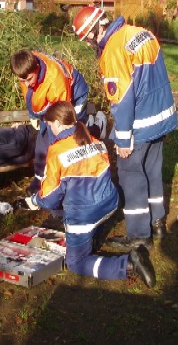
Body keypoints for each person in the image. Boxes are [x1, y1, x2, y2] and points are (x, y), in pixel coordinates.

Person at [14, 101, 155, 288]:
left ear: (57, 123)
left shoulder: (57, 151)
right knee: (85, 208)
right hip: (109, 203)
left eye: (49, 125)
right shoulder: (95, 141)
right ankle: (94, 237)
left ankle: (127, 264)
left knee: (76, 263)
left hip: (85, 214)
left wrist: (32, 201)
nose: (49, 130)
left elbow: (49, 198)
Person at [72, 6, 178, 250]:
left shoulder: (113, 50)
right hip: (160, 117)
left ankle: (140, 235)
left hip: (139, 122)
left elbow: (121, 99)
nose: (88, 44)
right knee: (153, 171)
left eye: (87, 38)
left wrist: (122, 139)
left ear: (95, 30)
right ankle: (158, 222)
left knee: (131, 176)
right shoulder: (141, 33)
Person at [10, 50, 104, 196]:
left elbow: (61, 121)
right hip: (49, 95)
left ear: (37, 68)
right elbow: (29, 95)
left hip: (74, 94)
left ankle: (95, 129)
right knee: (43, 140)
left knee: (70, 136)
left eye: (29, 79)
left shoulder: (55, 79)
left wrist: (55, 152)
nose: (27, 84)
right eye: (23, 81)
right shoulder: (24, 67)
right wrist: (33, 115)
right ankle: (40, 178)